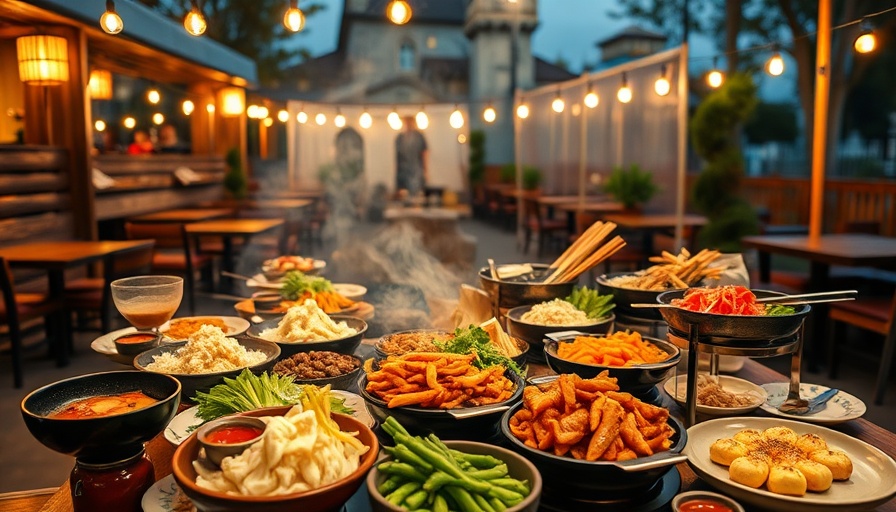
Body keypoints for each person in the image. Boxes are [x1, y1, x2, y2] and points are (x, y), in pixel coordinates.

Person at [395, 115, 428, 198]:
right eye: (406, 122)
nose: (408, 125)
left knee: (417, 191)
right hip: (404, 170)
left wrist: (425, 170)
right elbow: (397, 157)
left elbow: (424, 153)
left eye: (410, 122)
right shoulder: (400, 138)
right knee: (404, 193)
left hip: (416, 169)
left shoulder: (419, 136)